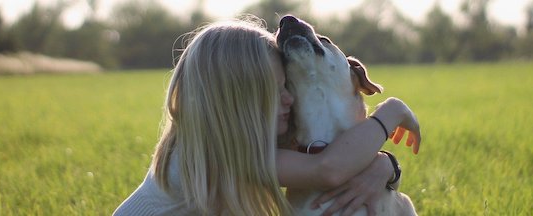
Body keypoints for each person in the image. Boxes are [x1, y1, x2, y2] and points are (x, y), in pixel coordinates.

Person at [113, 16, 421, 216]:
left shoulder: (237, 139)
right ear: (237, 101)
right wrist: (390, 112)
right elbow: (328, 169)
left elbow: (339, 156)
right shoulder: (215, 155)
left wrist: (385, 165)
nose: (289, 97)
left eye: (287, 85)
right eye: (275, 90)